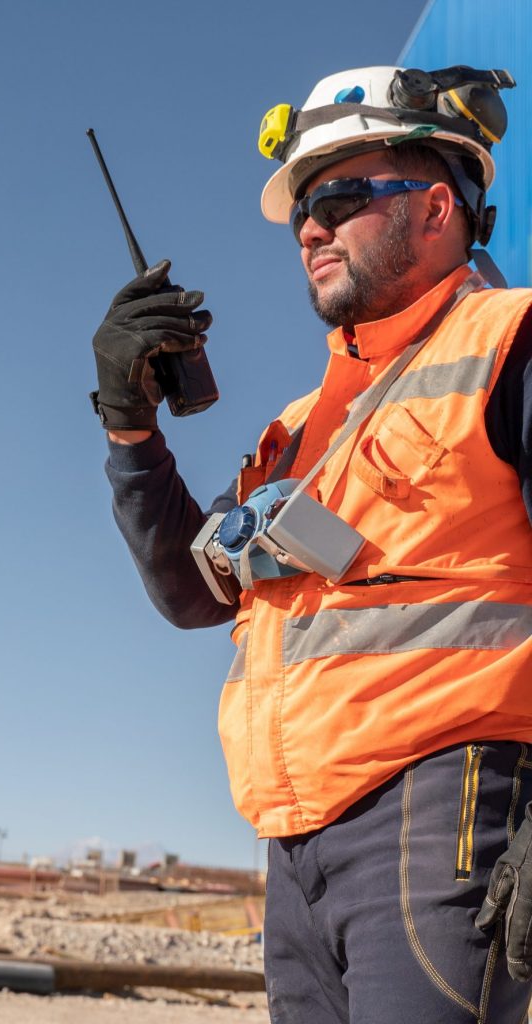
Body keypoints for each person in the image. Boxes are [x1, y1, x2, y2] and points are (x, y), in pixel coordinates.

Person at [92, 66, 532, 1023]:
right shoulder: (299, 431)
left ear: (434, 206)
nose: (308, 230)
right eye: (302, 209)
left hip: (444, 807)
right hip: (298, 846)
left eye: (337, 196)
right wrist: (130, 424)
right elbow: (191, 591)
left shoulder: (513, 339)